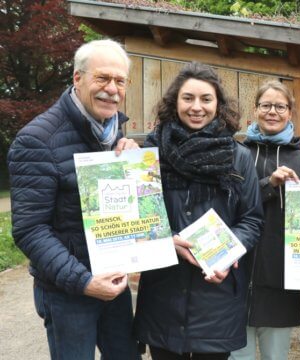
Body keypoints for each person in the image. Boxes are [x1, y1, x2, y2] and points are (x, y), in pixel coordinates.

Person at [8, 39, 140, 359]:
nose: (112, 89)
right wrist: (84, 282)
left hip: (114, 282)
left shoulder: (114, 135)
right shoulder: (36, 140)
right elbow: (30, 229)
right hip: (68, 291)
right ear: (77, 79)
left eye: (120, 81)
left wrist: (132, 165)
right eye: (102, 78)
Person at [133, 62, 264, 360]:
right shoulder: (149, 154)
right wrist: (166, 241)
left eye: (206, 99)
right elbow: (138, 219)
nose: (197, 107)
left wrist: (225, 254)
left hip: (217, 293)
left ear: (218, 105)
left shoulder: (238, 157)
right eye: (188, 98)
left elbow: (252, 219)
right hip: (163, 292)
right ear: (174, 102)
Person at [229, 80, 300, 360]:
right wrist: (270, 183)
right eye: (266, 105)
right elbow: (228, 202)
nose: (272, 112)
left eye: (280, 106)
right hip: (236, 275)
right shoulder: (236, 154)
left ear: (290, 112)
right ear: (255, 110)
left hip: (280, 279)